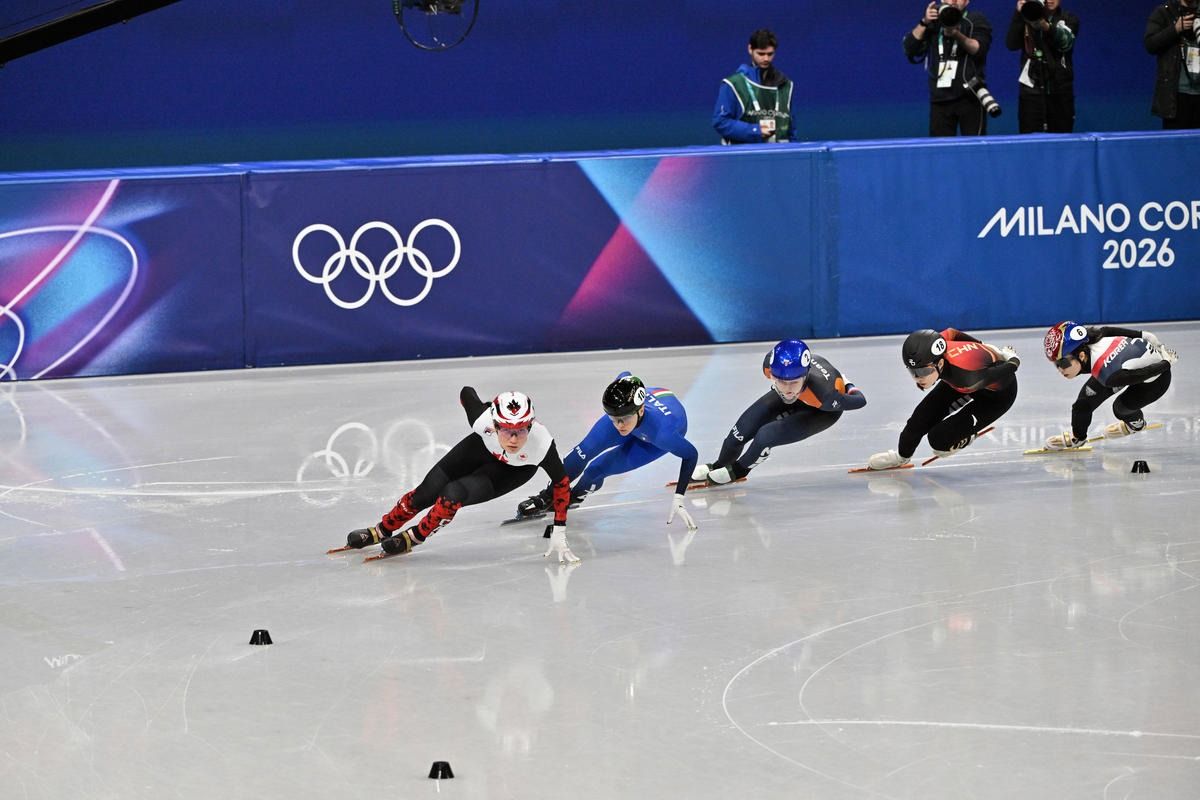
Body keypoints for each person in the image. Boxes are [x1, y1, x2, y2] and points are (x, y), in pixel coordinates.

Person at [345, 387, 579, 563]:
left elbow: (561, 483)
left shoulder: (542, 445)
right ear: (495, 424)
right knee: (424, 494)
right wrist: (485, 405)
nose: (514, 439)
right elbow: (467, 393)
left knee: (452, 494)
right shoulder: (482, 419)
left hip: (513, 470)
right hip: (480, 449)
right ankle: (382, 529)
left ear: (530, 426)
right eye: (507, 429)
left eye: (521, 430)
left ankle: (416, 536)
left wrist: (559, 530)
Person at [515, 373, 699, 531]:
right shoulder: (623, 415)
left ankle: (574, 497)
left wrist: (679, 497)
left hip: (652, 440)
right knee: (583, 451)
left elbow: (691, 455)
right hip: (644, 408)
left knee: (597, 470)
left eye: (623, 419)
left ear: (641, 410)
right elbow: (625, 375)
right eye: (613, 418)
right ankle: (548, 495)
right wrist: (620, 416)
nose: (618, 425)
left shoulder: (663, 435)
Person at [692, 339, 867, 485]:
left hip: (822, 412)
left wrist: (848, 384)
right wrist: (789, 386)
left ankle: (738, 471)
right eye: (780, 381)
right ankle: (719, 465)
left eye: (794, 382)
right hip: (801, 396)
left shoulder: (825, 395)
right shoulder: (769, 365)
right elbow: (787, 384)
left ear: (806, 376)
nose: (787, 389)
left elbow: (860, 400)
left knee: (765, 436)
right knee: (738, 433)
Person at [868, 328, 1020, 469]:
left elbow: (1010, 368)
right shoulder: (939, 343)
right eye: (913, 372)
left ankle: (966, 436)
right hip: (963, 378)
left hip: (997, 397)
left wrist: (1012, 359)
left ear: (940, 363)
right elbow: (951, 332)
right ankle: (901, 457)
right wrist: (979, 344)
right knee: (918, 421)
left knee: (939, 441)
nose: (918, 378)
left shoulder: (967, 378)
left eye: (924, 371)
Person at [1040, 321, 1178, 450]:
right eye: (1056, 364)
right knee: (1082, 405)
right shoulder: (1096, 337)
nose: (1060, 370)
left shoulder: (1107, 375)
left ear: (1081, 356)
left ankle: (1137, 423)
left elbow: (1140, 374)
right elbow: (1107, 330)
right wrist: (1142, 335)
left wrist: (1165, 364)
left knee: (1120, 408)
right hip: (1121, 368)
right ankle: (1078, 438)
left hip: (1156, 380)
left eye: (1062, 363)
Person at [904, 0, 995, 136]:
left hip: (970, 95)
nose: (953, 1)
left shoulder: (975, 19)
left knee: (974, 145)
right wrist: (924, 22)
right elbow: (909, 49)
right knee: (940, 146)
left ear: (967, 1)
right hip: (940, 98)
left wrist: (956, 34)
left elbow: (978, 49)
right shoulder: (933, 21)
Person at [712, 28, 797, 144]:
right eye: (761, 54)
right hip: (744, 154)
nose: (766, 58)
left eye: (770, 54)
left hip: (779, 153)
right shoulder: (733, 84)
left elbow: (791, 130)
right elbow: (720, 122)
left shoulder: (786, 85)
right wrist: (755, 130)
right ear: (750, 49)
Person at [1006, 0, 1079, 133]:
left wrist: (1045, 26)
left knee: (1061, 139)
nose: (1049, 0)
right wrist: (1019, 14)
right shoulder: (1026, 18)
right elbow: (1011, 44)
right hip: (1031, 92)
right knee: (1030, 140)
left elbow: (1065, 42)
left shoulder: (1069, 18)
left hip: (1060, 91)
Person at [1145, 0, 1200, 129]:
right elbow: (1150, 44)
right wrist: (1175, 29)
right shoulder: (1165, 12)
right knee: (1178, 140)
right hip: (1176, 96)